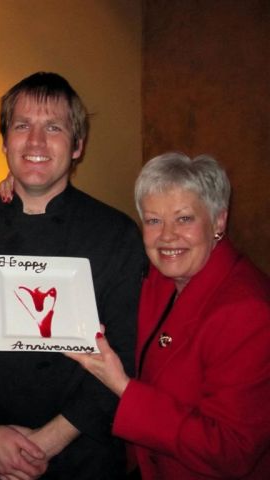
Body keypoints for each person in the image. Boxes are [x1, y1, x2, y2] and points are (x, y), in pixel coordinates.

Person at [0, 71, 147, 479]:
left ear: (78, 145)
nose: (35, 142)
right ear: (4, 140)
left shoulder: (116, 234)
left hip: (83, 454)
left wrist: (45, 444)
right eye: (22, 125)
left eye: (54, 128)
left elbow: (128, 352)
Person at [66, 152, 270, 479]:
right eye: (153, 220)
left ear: (218, 221)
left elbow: (231, 451)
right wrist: (21, 188)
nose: (167, 236)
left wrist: (123, 388)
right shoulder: (161, 278)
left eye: (184, 219)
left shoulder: (248, 313)